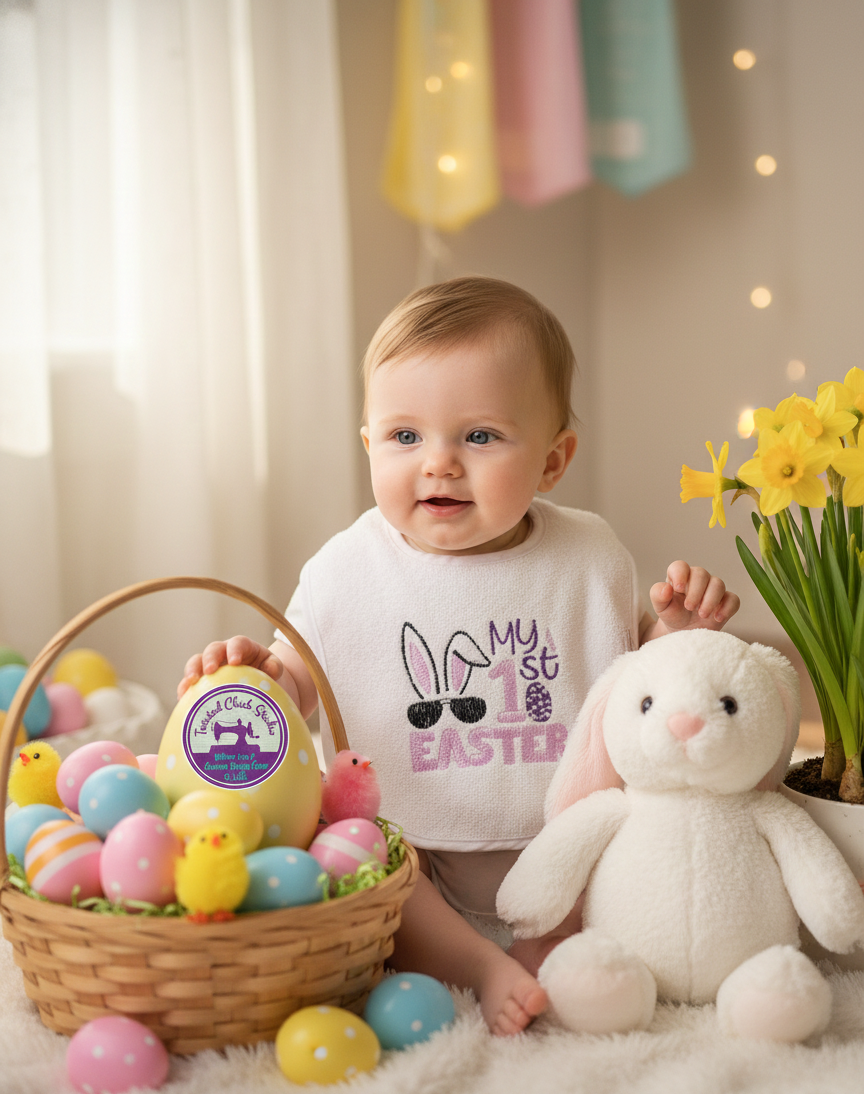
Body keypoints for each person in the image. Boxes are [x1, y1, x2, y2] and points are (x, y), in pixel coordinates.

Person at [179, 277, 740, 1036]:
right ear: (371, 445)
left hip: (567, 836)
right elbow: (297, 684)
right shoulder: (348, 572)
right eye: (406, 437)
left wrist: (676, 631)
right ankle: (478, 964)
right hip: (424, 851)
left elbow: (637, 685)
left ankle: (569, 941)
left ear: (552, 461)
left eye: (479, 436)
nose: (439, 463)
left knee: (651, 845)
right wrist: (256, 674)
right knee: (367, 858)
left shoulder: (587, 555)